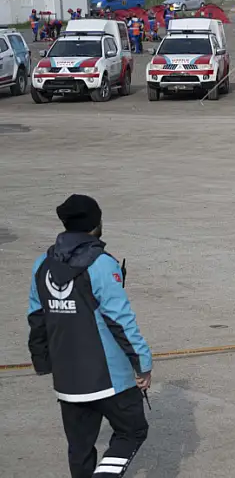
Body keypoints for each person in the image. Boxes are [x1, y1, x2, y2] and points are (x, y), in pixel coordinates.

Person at [27, 194, 153, 478]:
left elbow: (37, 318)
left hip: (67, 378)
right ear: (95, 224)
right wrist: (143, 364)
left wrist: (42, 361)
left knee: (80, 447)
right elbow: (120, 321)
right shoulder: (101, 264)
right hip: (108, 377)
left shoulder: (41, 265)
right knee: (132, 431)